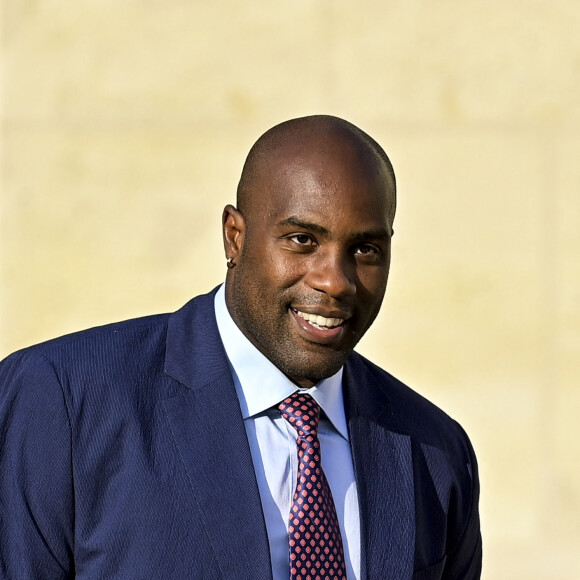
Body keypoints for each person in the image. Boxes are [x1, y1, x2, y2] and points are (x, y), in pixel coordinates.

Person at [0, 115, 482, 579]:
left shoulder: (436, 452)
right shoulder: (62, 401)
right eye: (301, 239)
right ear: (235, 237)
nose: (335, 280)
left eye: (366, 249)